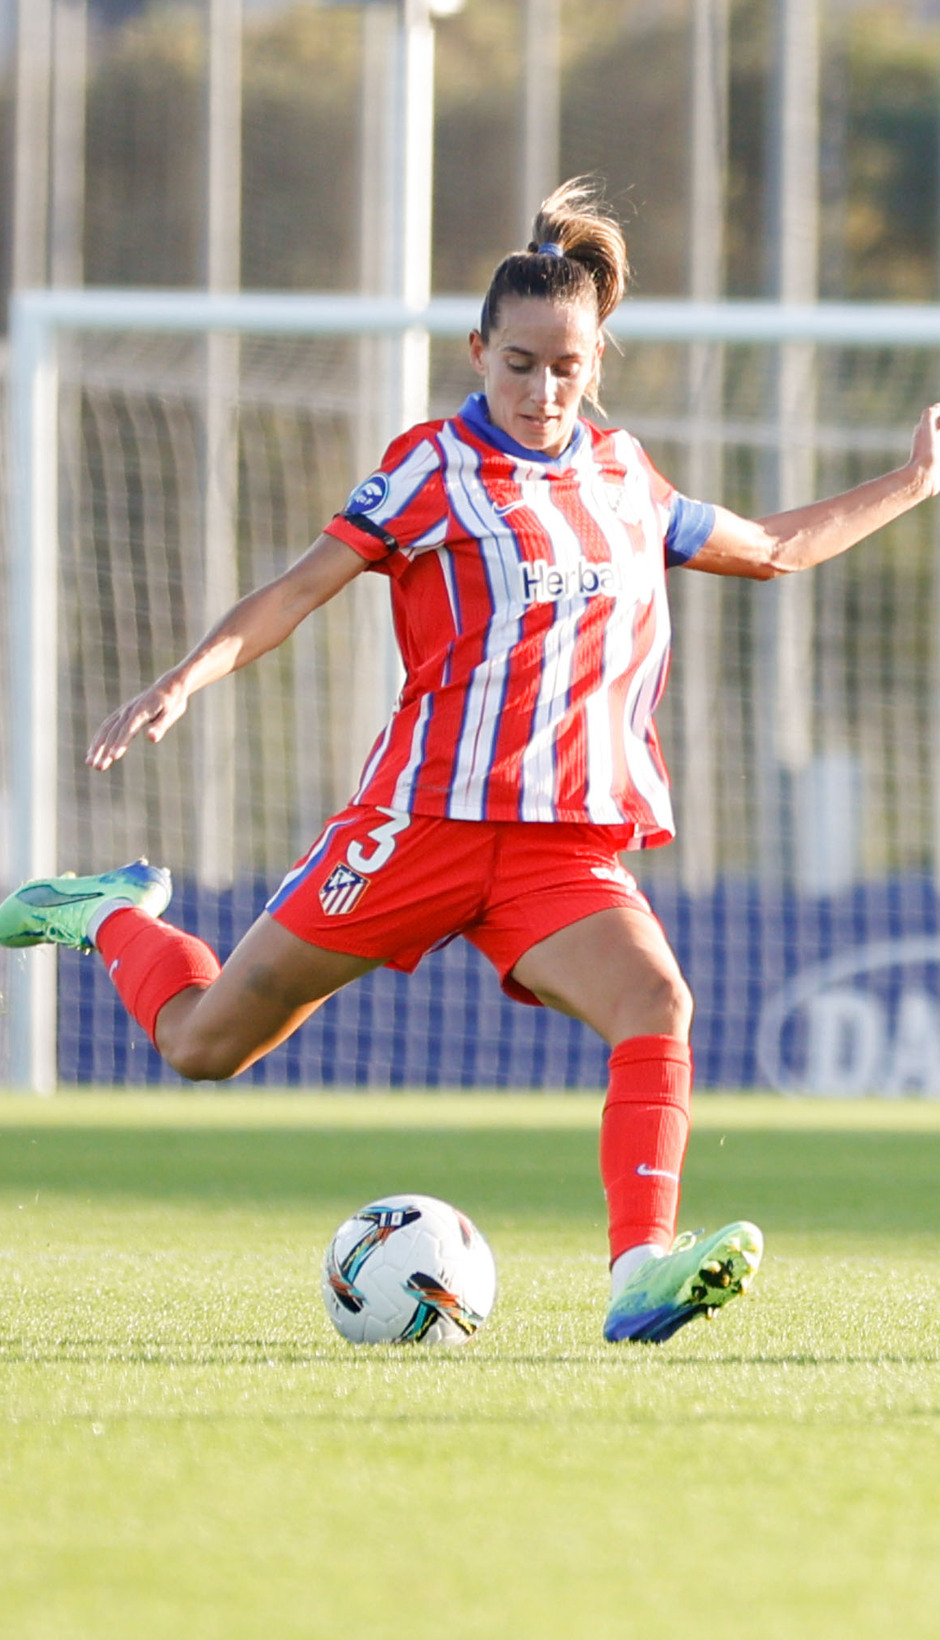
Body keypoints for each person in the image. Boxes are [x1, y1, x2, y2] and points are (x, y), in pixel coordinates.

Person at [2, 179, 939, 1344]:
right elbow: (298, 588)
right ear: (477, 351)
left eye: (568, 365)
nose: (546, 390)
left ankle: (640, 1268)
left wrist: (912, 483)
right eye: (521, 364)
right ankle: (107, 914)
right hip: (418, 827)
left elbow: (772, 549)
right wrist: (185, 677)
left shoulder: (625, 476)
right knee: (203, 1045)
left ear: (595, 357)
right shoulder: (431, 471)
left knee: (658, 998)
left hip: (560, 844)